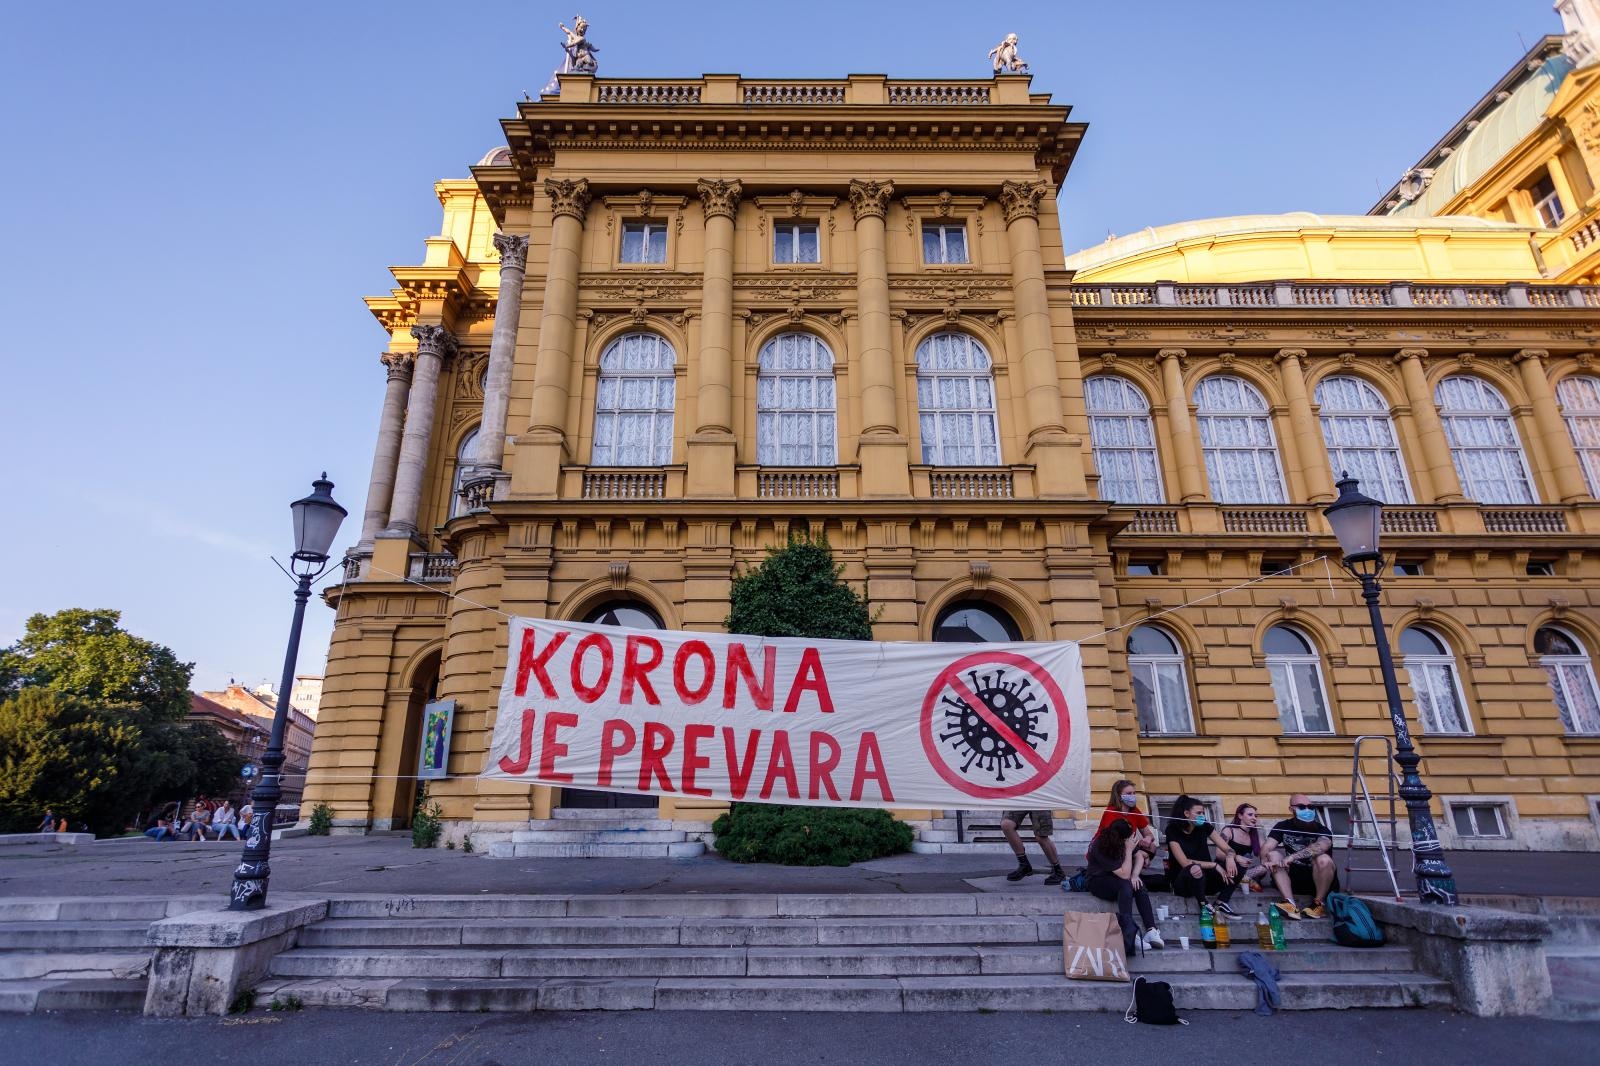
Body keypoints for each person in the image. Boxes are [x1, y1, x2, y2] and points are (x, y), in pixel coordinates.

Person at [1084, 819, 1163, 954]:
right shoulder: (1101, 845)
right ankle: (1129, 931)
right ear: (1122, 838)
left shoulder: (1124, 840)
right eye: (1129, 838)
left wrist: (1135, 875)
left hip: (1118, 878)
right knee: (1125, 886)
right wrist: (1128, 851)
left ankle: (1151, 930)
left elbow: (1139, 856)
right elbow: (1124, 874)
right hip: (1098, 881)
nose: (1132, 840)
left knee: (1138, 884)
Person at [1165, 795, 1242, 914]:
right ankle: (1203, 904)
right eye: (1199, 813)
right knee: (1194, 868)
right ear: (1186, 813)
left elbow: (1228, 849)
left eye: (1203, 812)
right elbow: (1184, 862)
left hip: (1207, 880)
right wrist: (1214, 865)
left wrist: (1231, 857)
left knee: (1241, 862)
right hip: (1184, 881)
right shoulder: (1172, 830)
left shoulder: (1204, 825)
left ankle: (1222, 901)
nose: (1202, 816)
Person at [1266, 794, 1339, 919]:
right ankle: (1290, 904)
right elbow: (1267, 847)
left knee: (1323, 859)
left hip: (1319, 880)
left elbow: (1322, 846)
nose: (1307, 810)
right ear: (1291, 809)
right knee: (1273, 855)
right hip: (1294, 878)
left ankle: (1318, 904)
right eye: (1301, 807)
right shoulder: (1283, 826)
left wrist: (1292, 857)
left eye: (1310, 807)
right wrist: (1264, 861)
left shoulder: (1322, 829)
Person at [1221, 802, 1301, 915]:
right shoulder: (1229, 830)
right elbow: (1219, 854)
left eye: (1256, 816)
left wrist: (1260, 830)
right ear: (1240, 816)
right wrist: (1236, 857)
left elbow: (1264, 852)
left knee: (1270, 862)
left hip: (1247, 871)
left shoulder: (1254, 833)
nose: (1254, 818)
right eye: (1250, 815)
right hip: (1228, 870)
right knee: (1256, 869)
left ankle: (1245, 880)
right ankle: (1243, 880)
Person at [1096, 779, 1158, 880]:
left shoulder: (1134, 811)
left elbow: (1148, 833)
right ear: (1119, 796)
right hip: (1110, 848)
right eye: (1129, 793)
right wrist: (1139, 853)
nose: (1133, 796)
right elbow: (1111, 841)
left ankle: (1134, 873)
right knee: (1139, 854)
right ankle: (1127, 873)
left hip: (1128, 845)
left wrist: (1148, 838)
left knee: (1151, 847)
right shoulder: (1110, 812)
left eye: (1134, 793)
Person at [1000, 810, 1066, 885]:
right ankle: (1024, 865)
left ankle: (1058, 871)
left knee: (1041, 836)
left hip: (1039, 800)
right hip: (1020, 799)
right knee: (1006, 824)